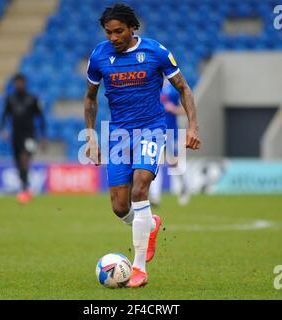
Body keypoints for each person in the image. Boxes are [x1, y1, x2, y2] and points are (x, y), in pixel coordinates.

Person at [84, 4, 200, 288]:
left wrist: (193, 127)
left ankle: (138, 268)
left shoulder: (156, 52)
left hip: (151, 129)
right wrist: (90, 135)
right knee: (119, 206)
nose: (113, 37)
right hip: (118, 135)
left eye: (119, 31)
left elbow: (183, 88)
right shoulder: (99, 55)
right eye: (109, 32)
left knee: (140, 188)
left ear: (132, 28)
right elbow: (90, 98)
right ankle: (149, 225)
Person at [0, 74, 46, 203]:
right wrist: (3, 129)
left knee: (24, 157)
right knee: (18, 162)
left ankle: (25, 189)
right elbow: (4, 115)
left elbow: (41, 118)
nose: (19, 84)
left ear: (24, 83)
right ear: (14, 83)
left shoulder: (32, 99)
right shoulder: (10, 99)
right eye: (17, 82)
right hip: (16, 135)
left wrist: (43, 136)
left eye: (21, 82)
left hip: (30, 135)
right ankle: (24, 187)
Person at [149, 79, 191, 207]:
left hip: (171, 131)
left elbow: (185, 109)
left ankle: (184, 186)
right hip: (155, 132)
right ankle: (155, 197)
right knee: (156, 163)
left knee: (173, 163)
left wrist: (174, 109)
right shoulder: (154, 87)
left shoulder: (173, 89)